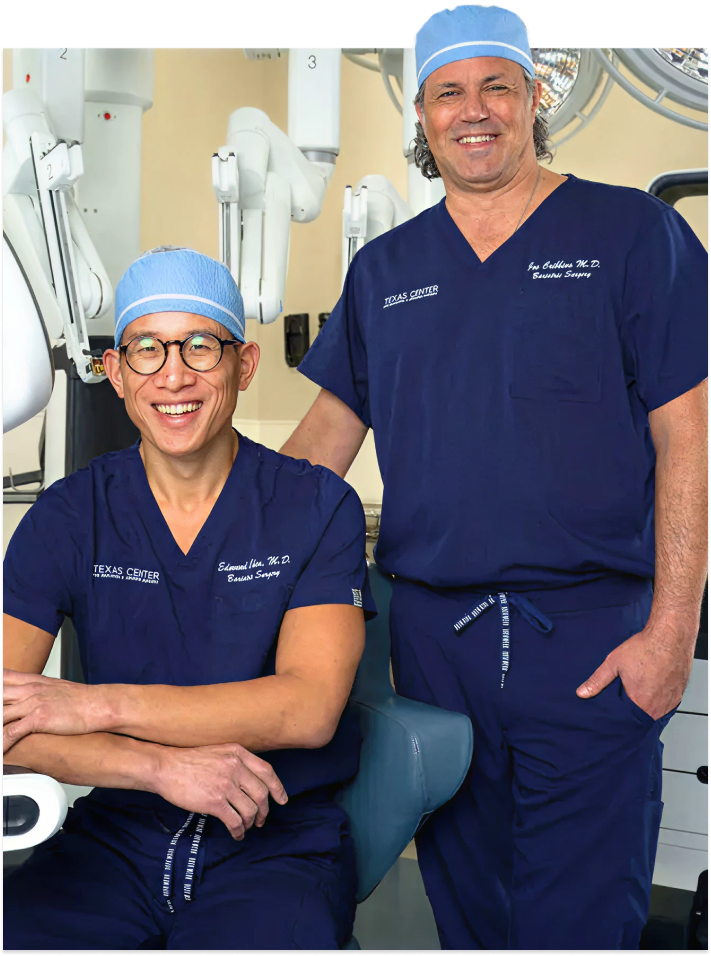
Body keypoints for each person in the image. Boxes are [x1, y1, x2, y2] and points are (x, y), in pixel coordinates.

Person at [281, 6, 708, 951]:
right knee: (469, 913)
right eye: (447, 92)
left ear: (533, 96)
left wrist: (670, 633)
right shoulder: (385, 271)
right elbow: (319, 449)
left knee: (583, 921)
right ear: (423, 116)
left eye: (495, 86)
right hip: (437, 645)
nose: (472, 111)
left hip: (593, 638)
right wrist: (190, 529)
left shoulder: (634, 235)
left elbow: (688, 441)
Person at [3, 246, 374, 952]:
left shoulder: (315, 505)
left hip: (275, 842)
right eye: (146, 350)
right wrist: (154, 767)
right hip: (115, 837)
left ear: (244, 365)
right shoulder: (68, 516)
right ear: (115, 372)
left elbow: (308, 709)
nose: (173, 374)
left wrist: (94, 706)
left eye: (200, 346)